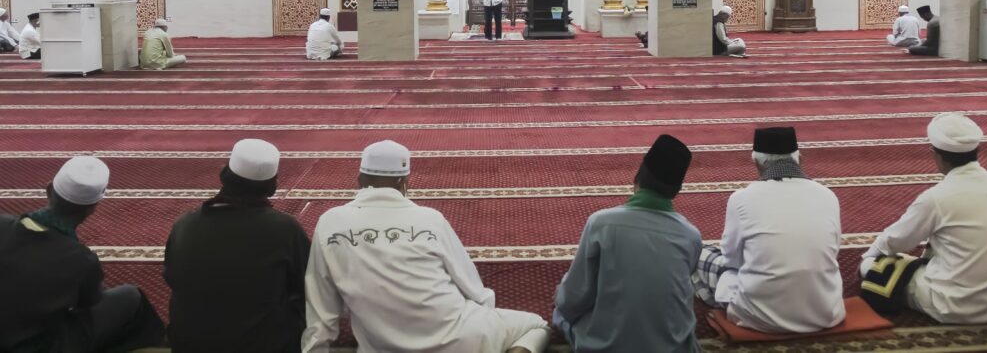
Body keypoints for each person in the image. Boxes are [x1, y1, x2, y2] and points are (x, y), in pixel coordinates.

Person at [303, 140, 549, 353]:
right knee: (536, 326)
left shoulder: (329, 223)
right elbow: (473, 288)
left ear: (359, 178)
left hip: (383, 346)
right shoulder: (430, 219)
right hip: (462, 339)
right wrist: (487, 318)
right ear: (404, 181)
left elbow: (320, 306)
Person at [859, 113, 987, 323]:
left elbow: (894, 241)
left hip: (957, 305)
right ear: (977, 151)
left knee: (873, 267)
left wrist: (867, 259)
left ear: (935, 155)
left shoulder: (936, 198)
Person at [553, 135, 703, 353]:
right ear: (676, 190)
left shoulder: (602, 223)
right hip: (674, 347)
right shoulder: (690, 235)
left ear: (637, 178)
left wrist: (561, 294)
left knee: (561, 312)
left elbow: (572, 301)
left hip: (607, 347)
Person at [0, 156, 165, 352]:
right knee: (131, 297)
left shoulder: (3, 225)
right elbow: (89, 303)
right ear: (92, 208)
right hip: (38, 346)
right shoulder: (80, 260)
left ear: (49, 189)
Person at [692, 127, 844, 333]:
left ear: (756, 163)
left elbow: (731, 260)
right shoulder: (827, 196)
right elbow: (832, 251)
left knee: (698, 253)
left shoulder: (742, 199)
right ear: (800, 159)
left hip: (758, 316)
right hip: (825, 313)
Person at [165, 138, 311, 353]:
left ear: (225, 174)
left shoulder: (185, 225)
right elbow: (307, 284)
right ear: (272, 186)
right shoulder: (285, 230)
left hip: (189, 345)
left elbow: (171, 277)